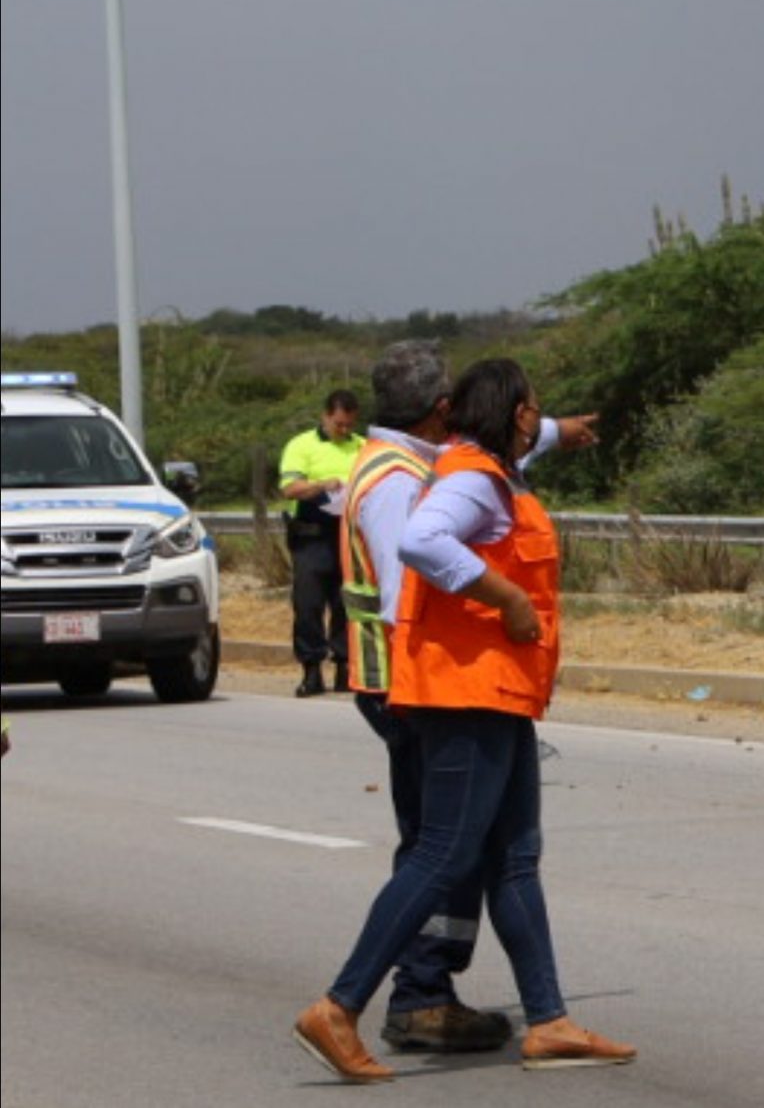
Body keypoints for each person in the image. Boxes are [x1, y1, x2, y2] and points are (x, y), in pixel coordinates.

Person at [294, 358, 631, 1083]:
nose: (536, 417)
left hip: (498, 691)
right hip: (462, 693)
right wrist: (507, 597)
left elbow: (518, 454)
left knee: (515, 857)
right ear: (512, 414)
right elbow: (422, 542)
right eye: (532, 408)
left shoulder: (487, 468)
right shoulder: (470, 477)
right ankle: (339, 1006)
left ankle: (549, 1021)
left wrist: (558, 432)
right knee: (443, 853)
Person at [278, 389, 364, 695]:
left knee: (346, 603)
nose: (344, 430)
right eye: (339, 424)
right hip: (311, 536)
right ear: (325, 416)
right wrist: (321, 485)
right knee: (309, 604)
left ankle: (344, 667)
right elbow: (290, 488)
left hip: (348, 534)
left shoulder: (362, 446)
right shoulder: (301, 445)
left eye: (349, 424)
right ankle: (311, 669)